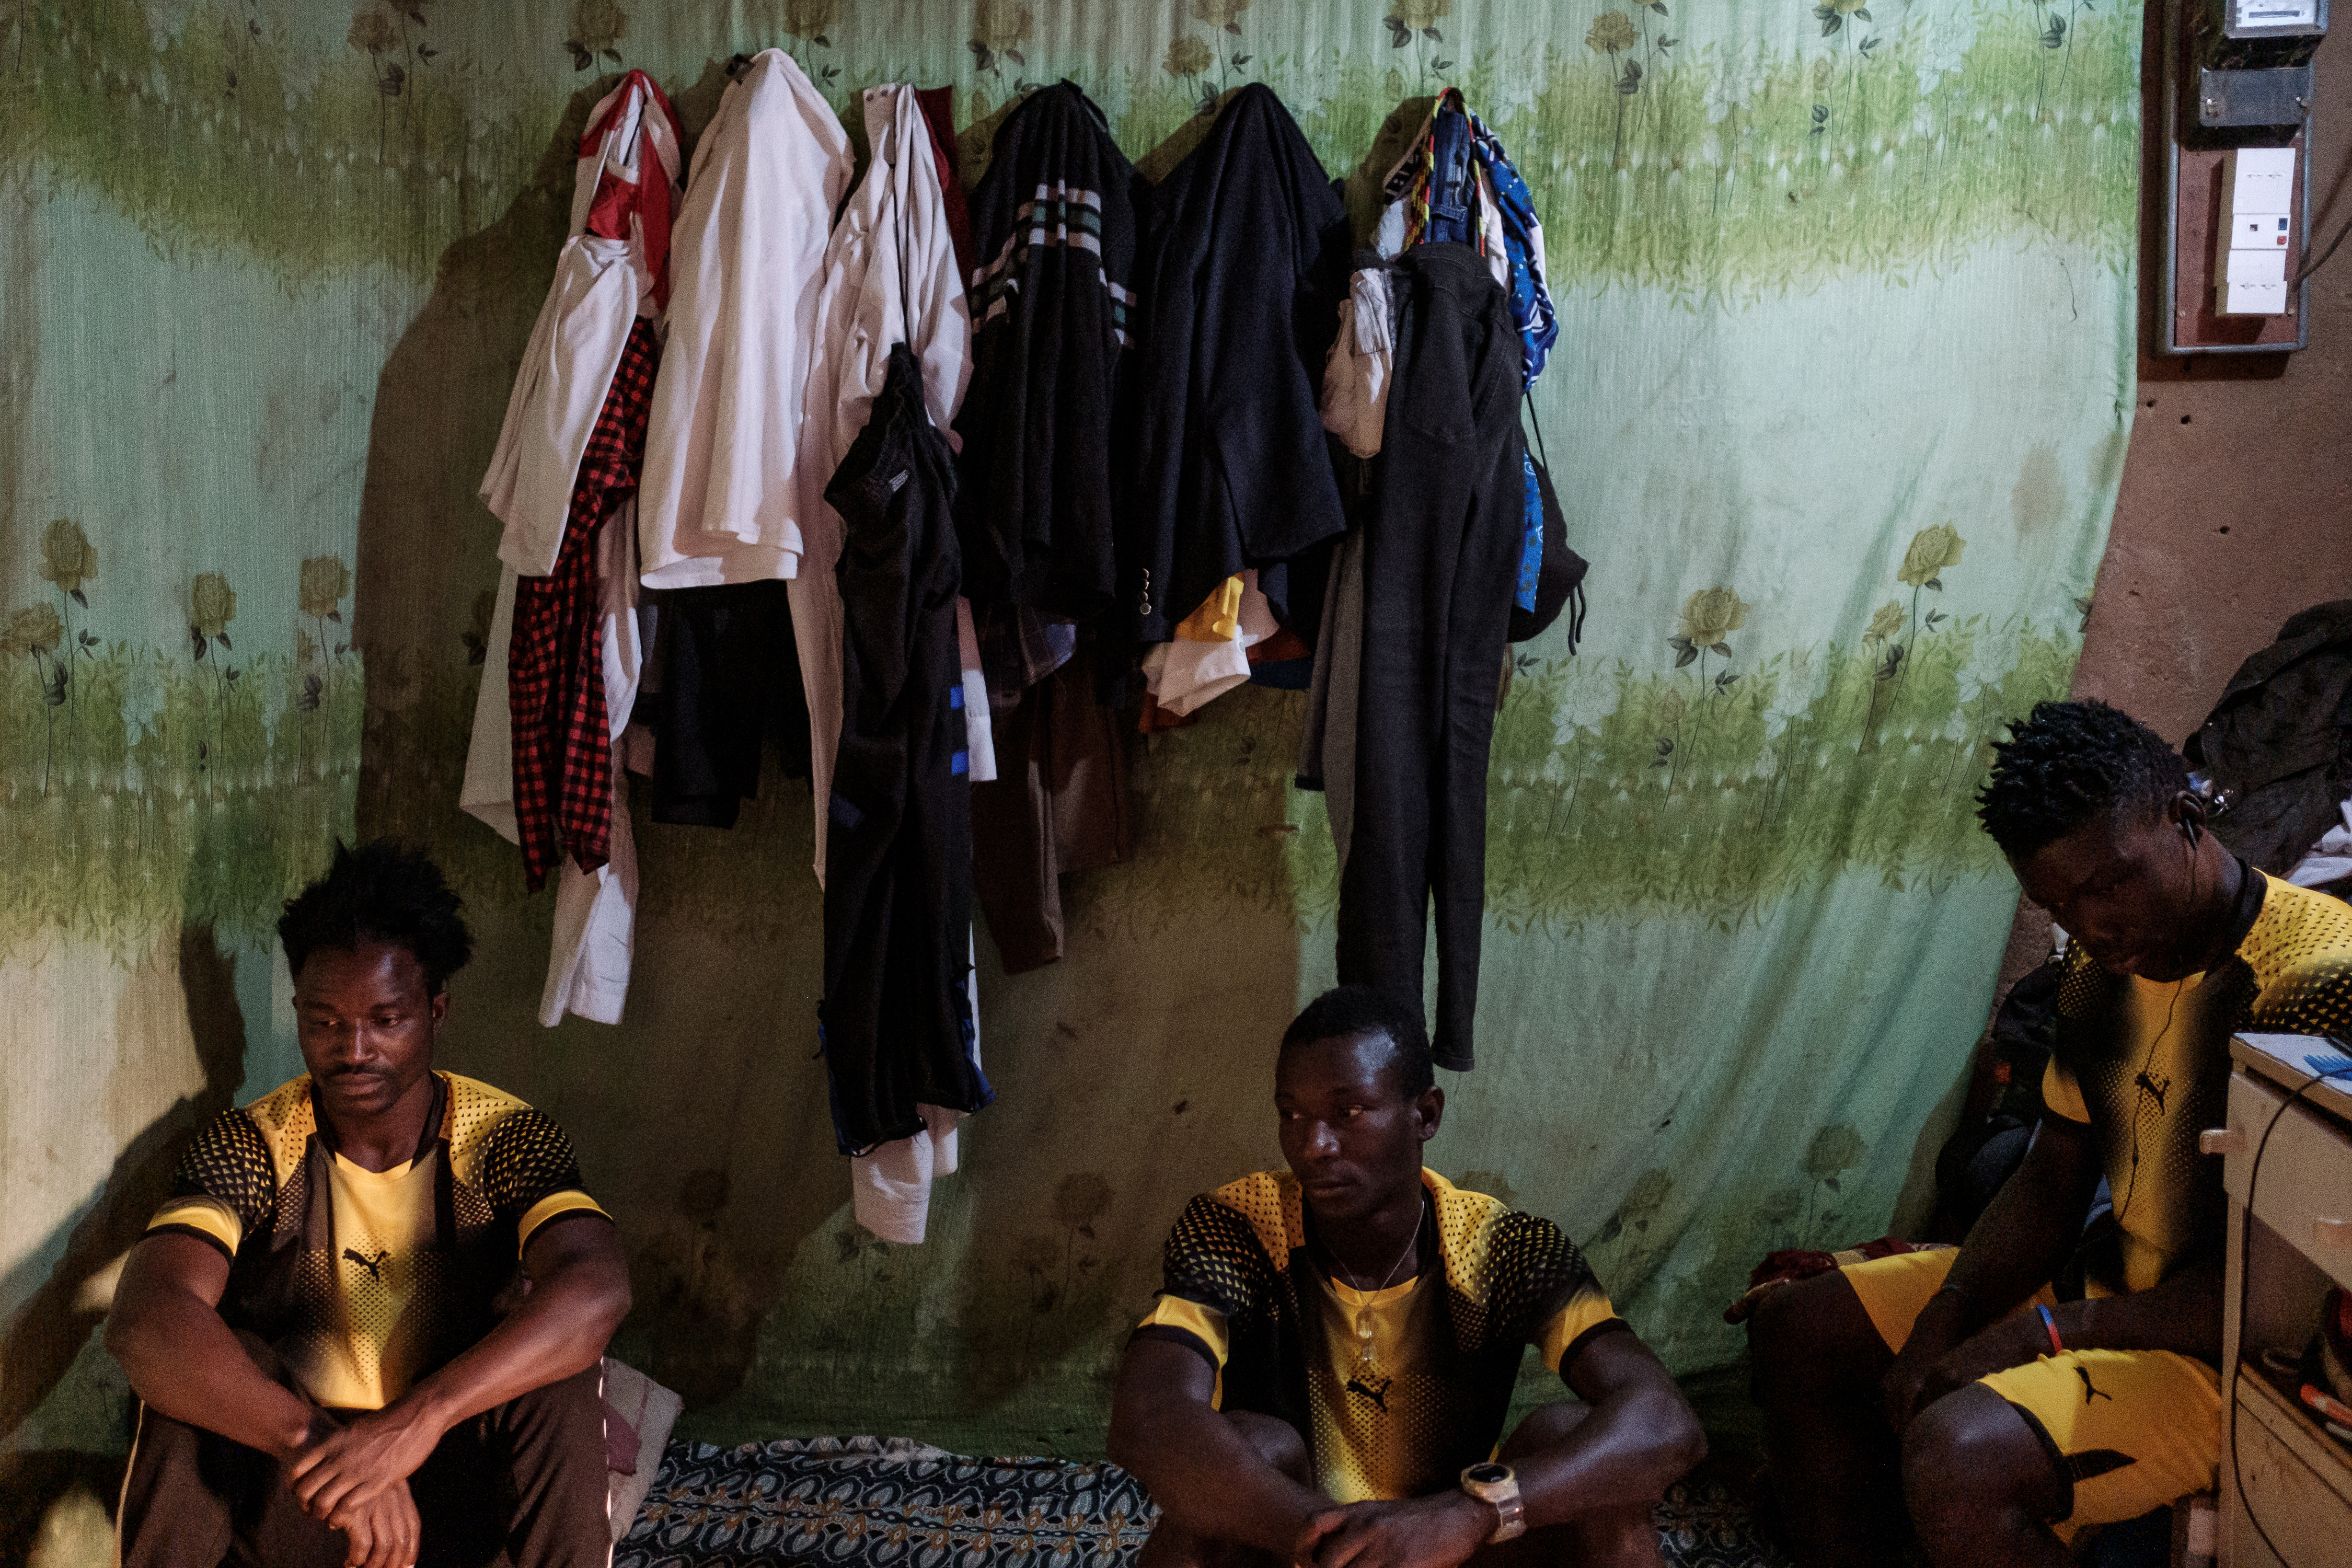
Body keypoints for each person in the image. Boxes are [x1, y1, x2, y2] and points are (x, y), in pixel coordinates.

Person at [1749, 699, 2352, 1566]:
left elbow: (2272, 1298)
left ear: (2184, 816)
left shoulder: (2320, 982)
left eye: (2108, 883)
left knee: (1962, 1453)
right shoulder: (2092, 969)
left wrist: (2041, 1335)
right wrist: (1949, 1317)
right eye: (2057, 903)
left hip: (2233, 1356)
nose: (2090, 926)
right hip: (2101, 1296)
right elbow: (2052, 1172)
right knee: (1802, 1330)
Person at [106, 840, 631, 1568]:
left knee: (561, 1377)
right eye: (325, 1022)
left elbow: (597, 1288)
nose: (353, 1050)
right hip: (302, 1492)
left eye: (386, 1020)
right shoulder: (253, 1144)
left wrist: (418, 1421)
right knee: (190, 1379)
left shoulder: (505, 1138)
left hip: (454, 1500)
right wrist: (322, 1447)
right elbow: (145, 1319)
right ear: (297, 1012)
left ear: (435, 1011)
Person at [1108, 985, 1704, 1568]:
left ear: (1425, 1114)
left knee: (1577, 1443)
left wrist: (1471, 1514)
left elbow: (1666, 1424)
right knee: (1247, 1449)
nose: (1313, 1145)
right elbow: (1150, 1416)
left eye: (1348, 1112)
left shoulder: (1503, 1245)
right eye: (1292, 1114)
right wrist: (1333, 1537)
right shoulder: (1238, 1227)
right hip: (1298, 1545)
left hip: (1451, 1549)